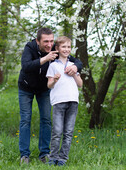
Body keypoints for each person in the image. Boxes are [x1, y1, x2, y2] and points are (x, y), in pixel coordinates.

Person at [18, 28, 82, 164]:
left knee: (46, 120)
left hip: (44, 89)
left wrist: (76, 67)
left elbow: (75, 61)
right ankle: (24, 155)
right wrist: (45, 58)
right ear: (38, 41)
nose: (49, 44)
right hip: (26, 87)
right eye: (45, 41)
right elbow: (25, 66)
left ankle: (44, 153)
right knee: (25, 120)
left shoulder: (55, 48)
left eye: (51, 41)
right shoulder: (30, 48)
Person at [46, 36, 83, 166]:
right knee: (57, 132)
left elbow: (80, 84)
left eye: (68, 47)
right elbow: (49, 85)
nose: (66, 49)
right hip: (58, 102)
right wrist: (54, 80)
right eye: (64, 47)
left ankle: (63, 159)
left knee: (68, 132)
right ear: (57, 48)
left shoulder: (73, 66)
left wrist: (74, 73)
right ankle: (53, 158)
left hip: (73, 101)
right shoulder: (53, 65)